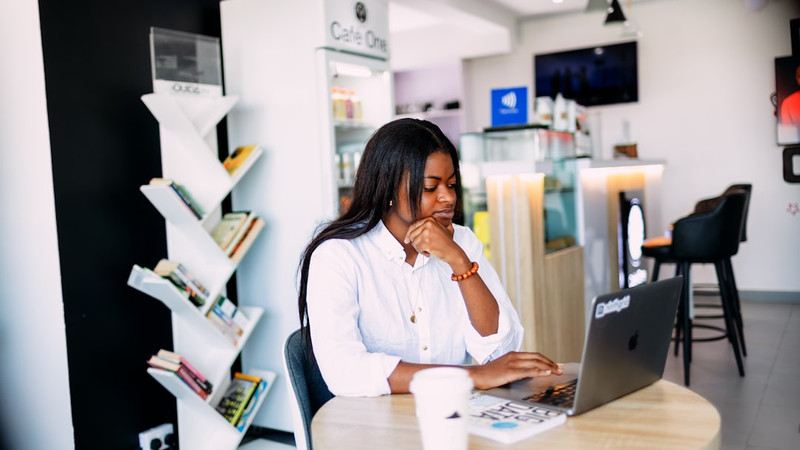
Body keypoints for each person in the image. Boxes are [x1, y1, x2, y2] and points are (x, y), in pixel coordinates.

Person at [297, 118, 562, 397]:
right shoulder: (339, 256)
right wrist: (471, 376)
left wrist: (459, 261)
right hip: (375, 425)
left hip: (452, 415)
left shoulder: (462, 242)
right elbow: (345, 372)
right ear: (387, 188)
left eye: (451, 184)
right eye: (430, 187)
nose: (448, 197)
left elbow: (500, 353)